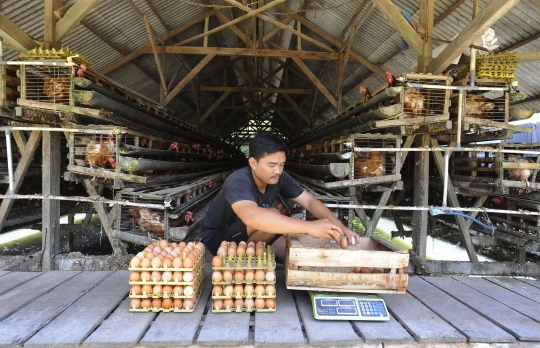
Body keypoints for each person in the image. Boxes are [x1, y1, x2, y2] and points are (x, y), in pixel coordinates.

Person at [200, 132, 357, 262]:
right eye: (272, 165)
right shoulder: (238, 180)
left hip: (254, 234)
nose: (278, 171)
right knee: (273, 214)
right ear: (253, 163)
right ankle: (243, 262)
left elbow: (309, 201)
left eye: (282, 165)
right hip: (219, 240)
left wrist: (341, 226)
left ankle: (253, 256)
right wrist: (310, 227)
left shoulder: (279, 178)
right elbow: (252, 217)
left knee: (299, 258)